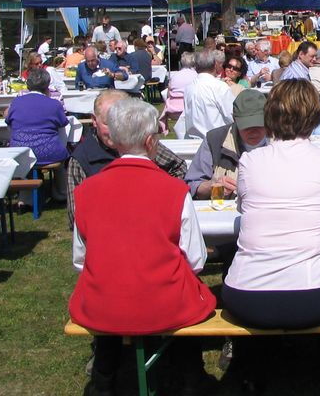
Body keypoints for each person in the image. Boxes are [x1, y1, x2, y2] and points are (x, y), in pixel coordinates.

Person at [70, 97, 214, 395]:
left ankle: (104, 381)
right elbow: (196, 260)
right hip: (165, 304)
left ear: (114, 138)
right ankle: (191, 376)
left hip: (103, 303)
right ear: (151, 142)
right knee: (191, 296)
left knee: (112, 303)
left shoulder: (86, 191)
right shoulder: (174, 190)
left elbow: (80, 260)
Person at [222, 79, 320, 328]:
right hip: (315, 294)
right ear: (315, 117)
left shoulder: (250, 161)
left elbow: (243, 207)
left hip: (247, 295)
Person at [66, 90, 187, 230]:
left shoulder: (142, 143)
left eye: (122, 123)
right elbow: (76, 217)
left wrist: (163, 200)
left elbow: (178, 167)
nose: (114, 130)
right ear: (94, 120)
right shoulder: (82, 159)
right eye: (108, 123)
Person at [185, 89, 268, 199]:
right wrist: (212, 186)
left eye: (259, 125)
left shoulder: (281, 141)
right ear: (234, 119)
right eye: (246, 126)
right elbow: (192, 186)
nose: (253, 131)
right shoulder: (215, 140)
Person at [5, 68, 70, 166]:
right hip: (50, 152)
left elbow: (8, 121)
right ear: (47, 85)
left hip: (20, 153)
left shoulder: (16, 102)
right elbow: (63, 124)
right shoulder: (55, 104)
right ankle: (61, 175)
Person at [183, 48, 235, 139]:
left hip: (193, 139)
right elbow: (233, 116)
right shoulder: (220, 87)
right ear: (215, 64)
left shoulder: (189, 88)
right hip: (216, 141)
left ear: (196, 66)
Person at [159, 52, 197, 134]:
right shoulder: (196, 76)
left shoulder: (174, 76)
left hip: (172, 109)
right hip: (189, 110)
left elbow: (168, 94)